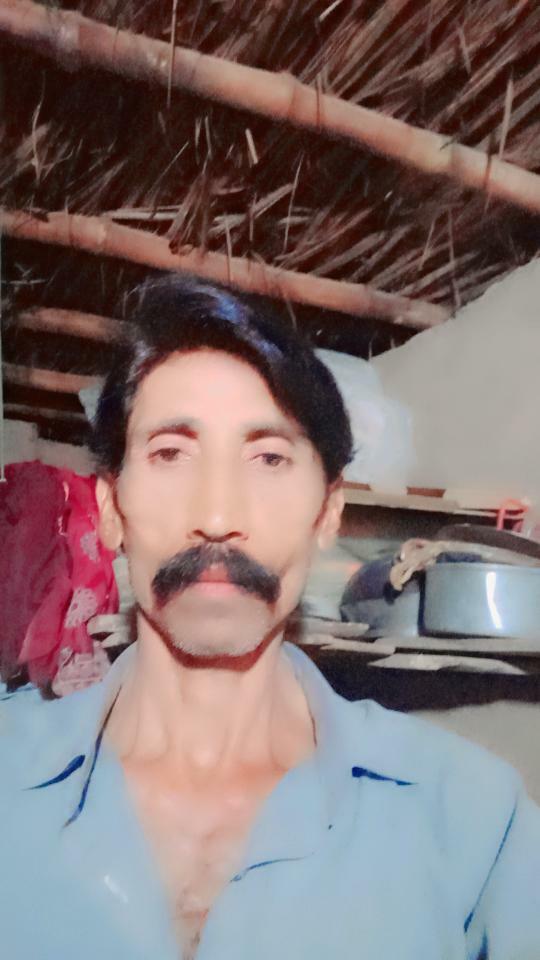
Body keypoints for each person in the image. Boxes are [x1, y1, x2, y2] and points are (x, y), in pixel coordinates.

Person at [1, 277, 540, 960]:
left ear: (328, 512)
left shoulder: (473, 824)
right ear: (111, 511)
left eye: (269, 458)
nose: (217, 516)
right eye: (170, 453)